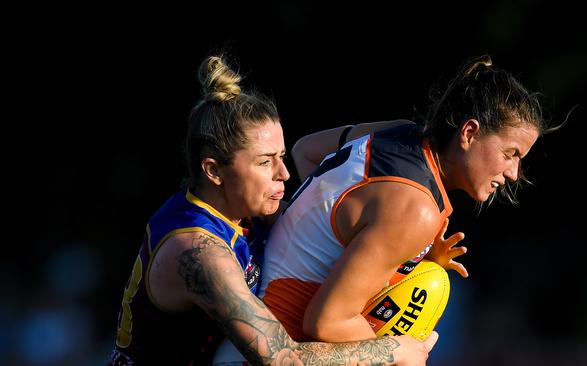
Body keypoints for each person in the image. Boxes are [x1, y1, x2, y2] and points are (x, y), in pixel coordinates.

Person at [108, 54, 438, 366]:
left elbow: (307, 151)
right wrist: (393, 349)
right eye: (265, 162)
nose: (284, 173)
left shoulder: (245, 208)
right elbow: (281, 358)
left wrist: (410, 251)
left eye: (280, 156)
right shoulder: (199, 252)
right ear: (214, 171)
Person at [259, 55, 556, 342]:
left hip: (255, 328)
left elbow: (307, 151)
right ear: (469, 132)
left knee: (430, 277)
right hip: (268, 347)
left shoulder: (397, 133)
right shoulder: (416, 210)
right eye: (510, 154)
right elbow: (325, 322)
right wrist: (403, 350)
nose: (514, 173)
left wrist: (322, 232)